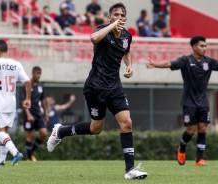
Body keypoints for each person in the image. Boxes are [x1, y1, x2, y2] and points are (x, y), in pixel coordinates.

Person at [47, 3, 148, 180]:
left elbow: (126, 51)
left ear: (125, 19)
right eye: (115, 14)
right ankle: (60, 132)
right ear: (109, 17)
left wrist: (129, 65)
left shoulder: (127, 36)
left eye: (122, 15)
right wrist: (111, 26)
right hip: (95, 87)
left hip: (115, 87)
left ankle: (130, 169)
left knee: (127, 123)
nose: (119, 17)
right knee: (95, 129)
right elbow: (93, 38)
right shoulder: (103, 30)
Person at [146, 36, 218, 166]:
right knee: (191, 130)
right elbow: (169, 64)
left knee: (202, 128)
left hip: (203, 102)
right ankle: (182, 149)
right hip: (189, 101)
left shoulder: (209, 62)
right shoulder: (185, 60)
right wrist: (155, 64)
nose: (204, 48)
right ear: (194, 47)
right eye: (202, 46)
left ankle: (199, 159)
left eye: (205, 46)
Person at [0, 39, 31, 166]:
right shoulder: (16, 64)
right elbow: (27, 82)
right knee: (5, 133)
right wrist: (27, 99)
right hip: (11, 103)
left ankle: (15, 153)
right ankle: (1, 161)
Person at [21, 66, 48, 162]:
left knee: (44, 133)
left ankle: (30, 151)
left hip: (38, 113)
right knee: (30, 134)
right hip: (29, 113)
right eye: (37, 73)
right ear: (32, 73)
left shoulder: (41, 85)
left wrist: (46, 114)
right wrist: (28, 114)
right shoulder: (27, 85)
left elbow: (43, 100)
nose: (39, 75)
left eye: (40, 73)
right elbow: (23, 101)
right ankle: (29, 157)